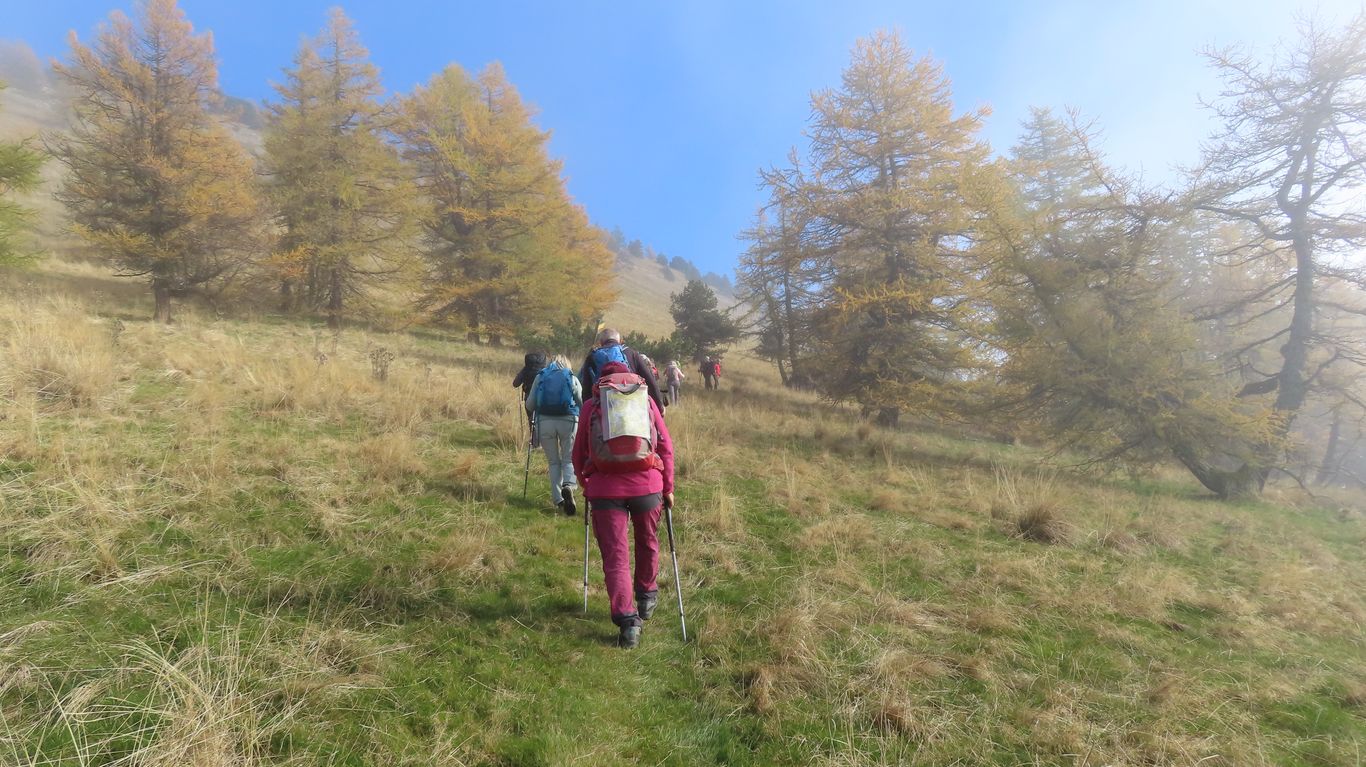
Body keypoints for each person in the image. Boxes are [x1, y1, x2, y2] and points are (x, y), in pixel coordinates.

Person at [572, 361, 675, 649]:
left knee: (616, 556)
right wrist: (668, 487)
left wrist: (587, 484)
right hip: (648, 485)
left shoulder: (592, 405)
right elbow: (665, 447)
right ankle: (647, 596)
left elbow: (578, 453)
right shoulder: (646, 401)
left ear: (601, 381)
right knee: (647, 540)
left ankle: (628, 622)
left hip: (605, 489)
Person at [525, 355, 583, 516]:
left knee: (553, 462)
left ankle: (559, 500)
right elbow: (581, 401)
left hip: (545, 422)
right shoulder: (571, 377)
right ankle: (568, 485)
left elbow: (530, 404)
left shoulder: (541, 377)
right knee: (568, 458)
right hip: (569, 421)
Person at [577, 328, 664, 411]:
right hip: (630, 405)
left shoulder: (592, 357)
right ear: (620, 341)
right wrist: (660, 406)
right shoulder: (632, 353)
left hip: (603, 407)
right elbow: (650, 381)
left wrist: (588, 410)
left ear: (601, 342)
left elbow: (586, 388)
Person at [512, 352, 547, 438]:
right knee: (543, 420)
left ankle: (533, 440)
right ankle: (543, 440)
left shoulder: (526, 369)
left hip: (529, 397)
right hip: (544, 397)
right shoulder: (545, 370)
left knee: (531, 420)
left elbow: (515, 384)